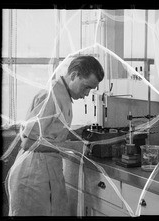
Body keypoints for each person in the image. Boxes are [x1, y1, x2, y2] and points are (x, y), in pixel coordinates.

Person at [6, 55, 105, 216]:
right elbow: (28, 142)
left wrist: (75, 133)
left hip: (46, 173)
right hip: (33, 176)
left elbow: (49, 131)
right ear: (74, 75)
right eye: (86, 87)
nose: (87, 94)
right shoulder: (51, 95)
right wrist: (72, 147)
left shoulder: (62, 94)